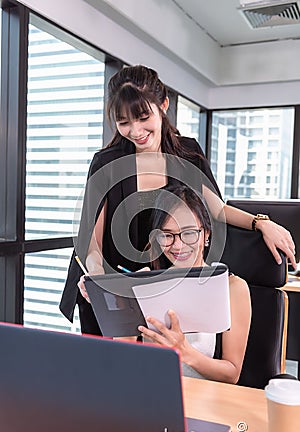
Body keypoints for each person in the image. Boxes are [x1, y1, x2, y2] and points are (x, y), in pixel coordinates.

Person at [59, 64, 296, 335]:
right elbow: (91, 244)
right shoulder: (106, 163)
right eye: (124, 122)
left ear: (163, 105)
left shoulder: (187, 153)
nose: (135, 131)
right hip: (117, 285)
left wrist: (261, 223)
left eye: (142, 117)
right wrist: (104, 283)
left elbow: (216, 209)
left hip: (169, 283)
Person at [138, 184, 251, 384]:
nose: (178, 245)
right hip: (150, 391)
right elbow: (126, 358)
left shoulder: (232, 287)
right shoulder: (148, 284)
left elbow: (231, 374)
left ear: (206, 234)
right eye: (167, 235)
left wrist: (184, 351)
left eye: (189, 233)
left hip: (201, 399)